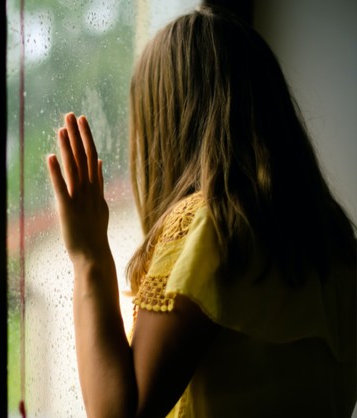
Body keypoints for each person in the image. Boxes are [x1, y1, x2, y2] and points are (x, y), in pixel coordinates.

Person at [45, 5, 356, 418]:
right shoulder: (334, 241)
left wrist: (88, 256)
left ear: (166, 123)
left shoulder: (213, 227)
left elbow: (120, 412)